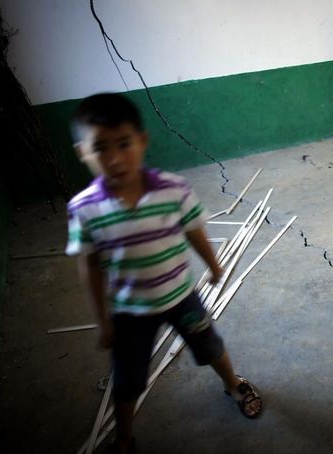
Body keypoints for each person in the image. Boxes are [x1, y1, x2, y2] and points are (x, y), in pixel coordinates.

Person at [65, 93, 262, 454]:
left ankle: (233, 383)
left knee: (210, 346)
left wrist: (214, 263)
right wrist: (103, 320)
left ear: (142, 141)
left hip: (181, 297)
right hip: (129, 312)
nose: (114, 158)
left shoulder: (172, 189)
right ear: (83, 153)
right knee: (126, 380)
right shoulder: (84, 210)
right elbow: (89, 266)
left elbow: (192, 229)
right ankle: (123, 437)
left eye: (124, 144)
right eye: (100, 148)